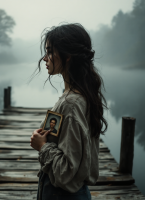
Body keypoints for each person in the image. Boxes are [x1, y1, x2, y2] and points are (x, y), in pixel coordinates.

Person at [30, 23, 108, 200]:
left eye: (50, 51)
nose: (45, 58)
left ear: (67, 56)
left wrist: (42, 146)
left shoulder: (71, 104)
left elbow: (66, 172)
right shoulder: (80, 95)